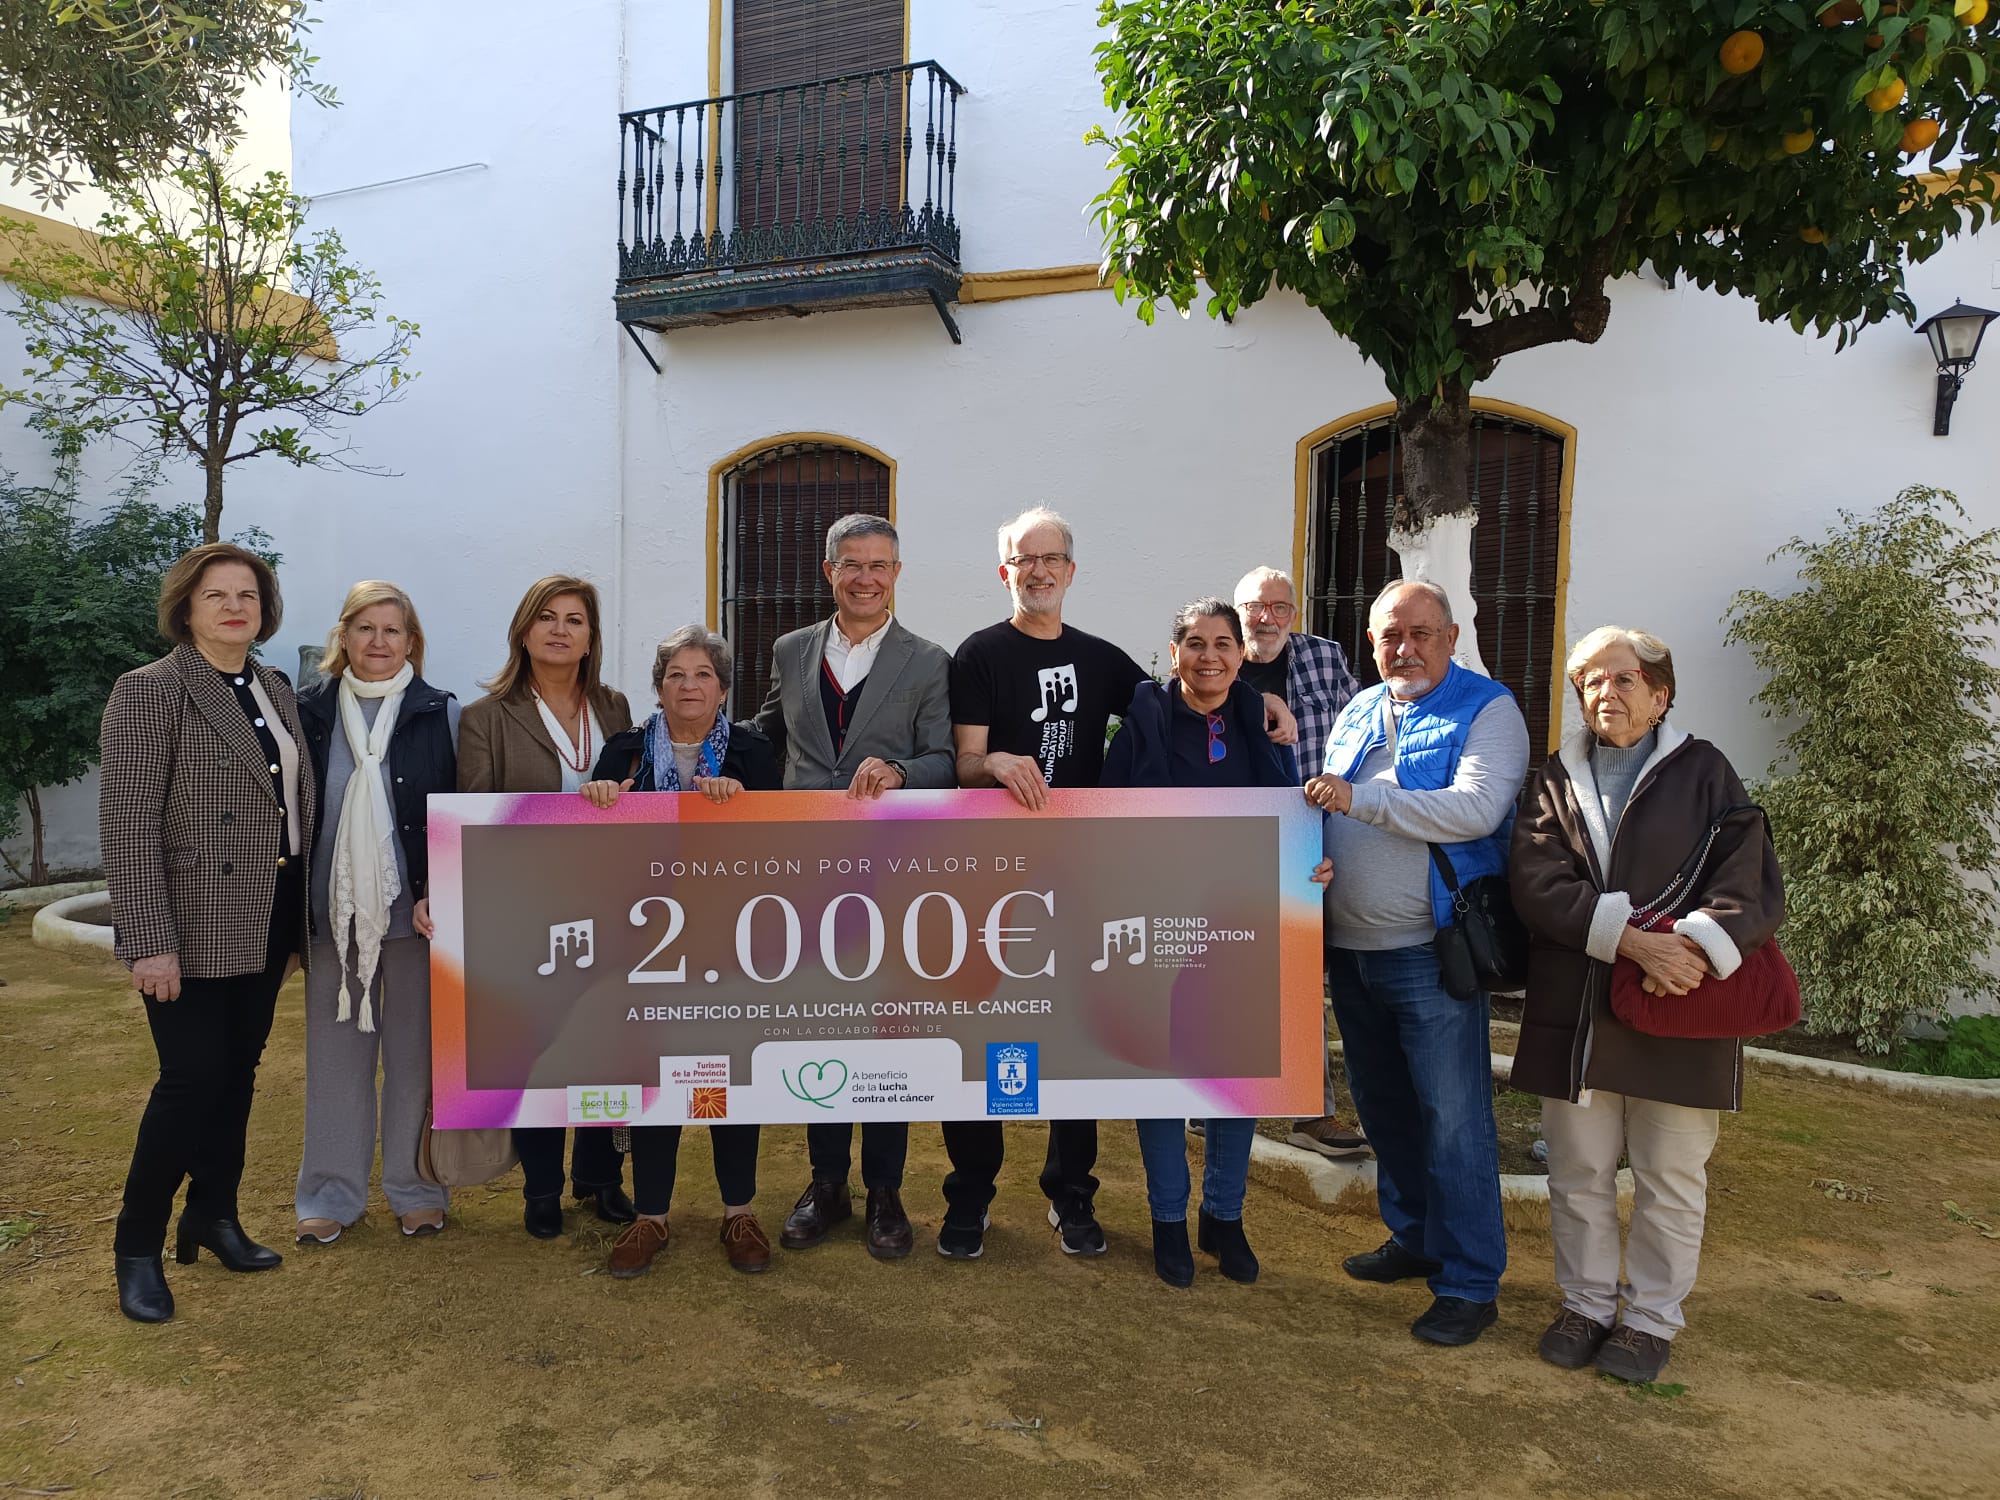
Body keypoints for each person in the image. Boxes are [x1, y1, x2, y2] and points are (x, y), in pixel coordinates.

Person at [1510, 627, 1784, 1384]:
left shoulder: (1706, 772)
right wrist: (1632, 943)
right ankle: (1586, 1305)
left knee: (1670, 1174)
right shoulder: (1554, 777)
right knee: (1579, 1169)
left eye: (1624, 678)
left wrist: (1687, 953)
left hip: (1678, 1002)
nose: (1606, 693)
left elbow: (1747, 879)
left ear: (1660, 695)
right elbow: (1535, 879)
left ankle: (1651, 1319)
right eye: (1591, 682)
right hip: (1579, 1004)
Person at [1305, 578, 1529, 1347]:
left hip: (1432, 954)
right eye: (1389, 636)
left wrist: (1359, 802)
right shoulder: (1359, 708)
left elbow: (1475, 809)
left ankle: (1469, 1282)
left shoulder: (1488, 709)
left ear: (1451, 637)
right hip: (1350, 951)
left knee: (1454, 1121)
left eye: (1420, 633)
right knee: (1386, 1111)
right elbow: (1321, 808)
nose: (1404, 648)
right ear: (1371, 643)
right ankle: (1415, 1238)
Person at [100, 543, 315, 1323]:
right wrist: (148, 940)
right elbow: (128, 826)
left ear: (265, 609)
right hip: (191, 922)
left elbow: (292, 807)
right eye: (216, 594)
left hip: (269, 913)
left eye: (247, 595)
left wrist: (300, 928)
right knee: (190, 1079)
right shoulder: (149, 690)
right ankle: (136, 1245)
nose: (234, 607)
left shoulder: (275, 687)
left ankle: (213, 1215)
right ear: (186, 608)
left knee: (239, 1074)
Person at [943, 506, 1151, 1259]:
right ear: (1005, 571)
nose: (1037, 571)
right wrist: (994, 762)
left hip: (1078, 875)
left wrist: (1260, 696)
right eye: (1023, 559)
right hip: (991, 880)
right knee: (982, 1031)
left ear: (1071, 569)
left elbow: (1186, 705)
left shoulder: (1103, 660)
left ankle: (1072, 1194)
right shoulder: (979, 654)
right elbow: (964, 763)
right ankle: (971, 1194)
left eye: (1050, 558)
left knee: (1073, 1036)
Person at [755, 513, 955, 1260]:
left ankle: (885, 1190)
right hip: (805, 869)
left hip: (891, 872)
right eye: (852, 564)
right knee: (822, 1023)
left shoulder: (928, 661)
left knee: (886, 1025)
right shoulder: (791, 650)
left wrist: (900, 770)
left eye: (879, 565)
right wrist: (687, 754)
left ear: (896, 574)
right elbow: (764, 736)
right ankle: (827, 1183)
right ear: (829, 571)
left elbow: (944, 757)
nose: (865, 578)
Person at [1102, 596, 1298, 1289]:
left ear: (1242, 655)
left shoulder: (1260, 722)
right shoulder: (1141, 725)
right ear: (1174, 652)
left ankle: (1224, 1217)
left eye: (1222, 644)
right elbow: (1106, 822)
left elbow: (1290, 814)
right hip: (1156, 922)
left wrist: (1313, 861)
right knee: (1162, 1073)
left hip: (1243, 924)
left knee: (1233, 1074)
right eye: (1194, 643)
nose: (1208, 656)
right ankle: (1167, 1220)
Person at [579, 625, 783, 1277]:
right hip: (645, 944)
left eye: (702, 675)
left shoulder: (754, 753)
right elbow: (592, 849)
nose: (689, 686)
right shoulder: (624, 750)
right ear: (659, 687)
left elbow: (785, 849)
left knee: (728, 1076)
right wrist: (601, 799)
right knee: (655, 1071)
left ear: (723, 689)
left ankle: (738, 1211)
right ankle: (651, 1216)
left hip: (731, 942)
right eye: (675, 675)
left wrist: (742, 807)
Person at [458, 575, 636, 1239]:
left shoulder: (615, 708)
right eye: (547, 618)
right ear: (524, 630)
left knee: (605, 1038)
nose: (560, 630)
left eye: (575, 620)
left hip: (611, 902)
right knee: (537, 1045)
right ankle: (541, 1187)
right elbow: (475, 816)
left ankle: (600, 1176)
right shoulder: (486, 717)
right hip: (528, 906)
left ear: (591, 637)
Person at [293, 582, 457, 1246]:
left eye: (393, 630)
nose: (379, 642)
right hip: (333, 916)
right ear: (344, 636)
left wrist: (442, 887)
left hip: (418, 917)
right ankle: (330, 1194)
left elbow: (456, 810)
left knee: (416, 1061)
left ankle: (416, 1189)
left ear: (411, 641)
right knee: (336, 1061)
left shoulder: (440, 712)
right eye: (365, 628)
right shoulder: (308, 712)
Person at [1232, 565, 1369, 1160]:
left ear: (1294, 611)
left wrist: (1344, 817)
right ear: (1238, 610)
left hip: (1310, 831)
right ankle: (1214, 1100)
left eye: (1279, 607)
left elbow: (1360, 729)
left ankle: (1312, 1111)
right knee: (1224, 965)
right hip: (1231, 834)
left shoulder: (1324, 658)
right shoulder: (1216, 655)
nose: (1267, 619)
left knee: (1303, 970)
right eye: (1255, 607)